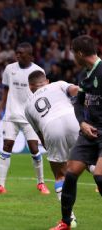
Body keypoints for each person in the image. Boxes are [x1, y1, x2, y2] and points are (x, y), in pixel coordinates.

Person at [51, 35, 102, 230]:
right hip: (88, 132)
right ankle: (65, 222)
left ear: (79, 54)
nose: (73, 57)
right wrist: (82, 123)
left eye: (73, 53)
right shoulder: (84, 76)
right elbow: (79, 104)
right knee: (70, 173)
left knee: (99, 176)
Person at [0, 42, 50, 195]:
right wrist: (0, 109)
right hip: (11, 114)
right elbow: (5, 89)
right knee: (7, 146)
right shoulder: (10, 69)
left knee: (34, 149)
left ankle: (41, 183)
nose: (17, 55)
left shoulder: (38, 70)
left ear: (29, 55)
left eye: (21, 53)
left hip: (30, 115)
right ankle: (0, 186)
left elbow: (43, 93)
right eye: (16, 52)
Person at [24, 70, 81, 227]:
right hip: (72, 119)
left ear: (30, 87)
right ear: (47, 81)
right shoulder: (59, 84)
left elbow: (40, 135)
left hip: (51, 127)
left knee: (60, 175)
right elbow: (77, 90)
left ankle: (69, 219)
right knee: (91, 164)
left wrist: (50, 147)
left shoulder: (27, 107)